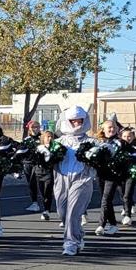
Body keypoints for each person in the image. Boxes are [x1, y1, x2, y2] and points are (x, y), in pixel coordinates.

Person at [52, 106, 99, 257]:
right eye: (73, 120)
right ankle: (77, 233)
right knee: (62, 211)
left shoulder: (92, 142)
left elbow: (103, 157)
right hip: (61, 177)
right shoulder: (58, 142)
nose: (77, 123)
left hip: (82, 178)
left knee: (73, 212)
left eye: (80, 120)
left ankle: (70, 242)